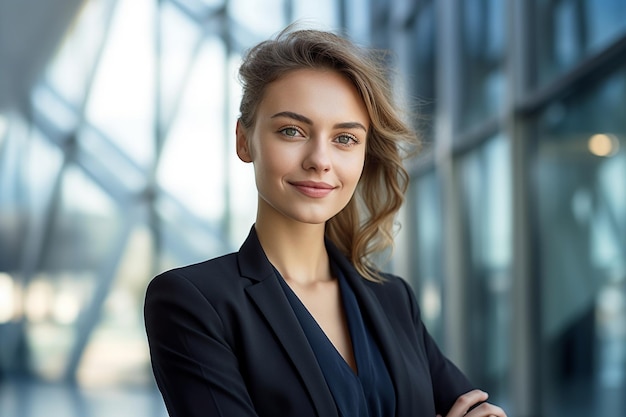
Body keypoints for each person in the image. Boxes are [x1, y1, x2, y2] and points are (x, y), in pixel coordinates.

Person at [144, 26, 507, 417]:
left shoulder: (393, 299)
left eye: (345, 138)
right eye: (292, 131)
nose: (320, 159)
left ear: (365, 153)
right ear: (244, 140)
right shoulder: (192, 302)